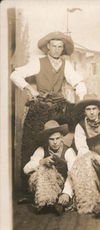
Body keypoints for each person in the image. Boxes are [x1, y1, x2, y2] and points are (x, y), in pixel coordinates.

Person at [10, 31, 87, 194]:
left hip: (58, 106)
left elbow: (78, 81)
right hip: (41, 106)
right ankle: (28, 188)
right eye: (54, 46)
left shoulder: (66, 65)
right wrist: (30, 89)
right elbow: (15, 74)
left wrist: (81, 95)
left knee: (73, 126)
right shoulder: (38, 62)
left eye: (60, 47)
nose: (57, 50)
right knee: (31, 141)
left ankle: (68, 182)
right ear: (48, 47)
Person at [23, 120, 73, 214]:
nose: (55, 142)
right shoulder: (41, 150)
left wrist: (66, 193)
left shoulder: (68, 152)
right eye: (51, 139)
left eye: (57, 138)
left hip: (60, 185)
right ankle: (45, 202)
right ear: (47, 139)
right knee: (43, 169)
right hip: (43, 186)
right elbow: (26, 169)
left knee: (50, 172)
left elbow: (72, 174)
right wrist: (42, 162)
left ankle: (51, 201)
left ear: (62, 138)